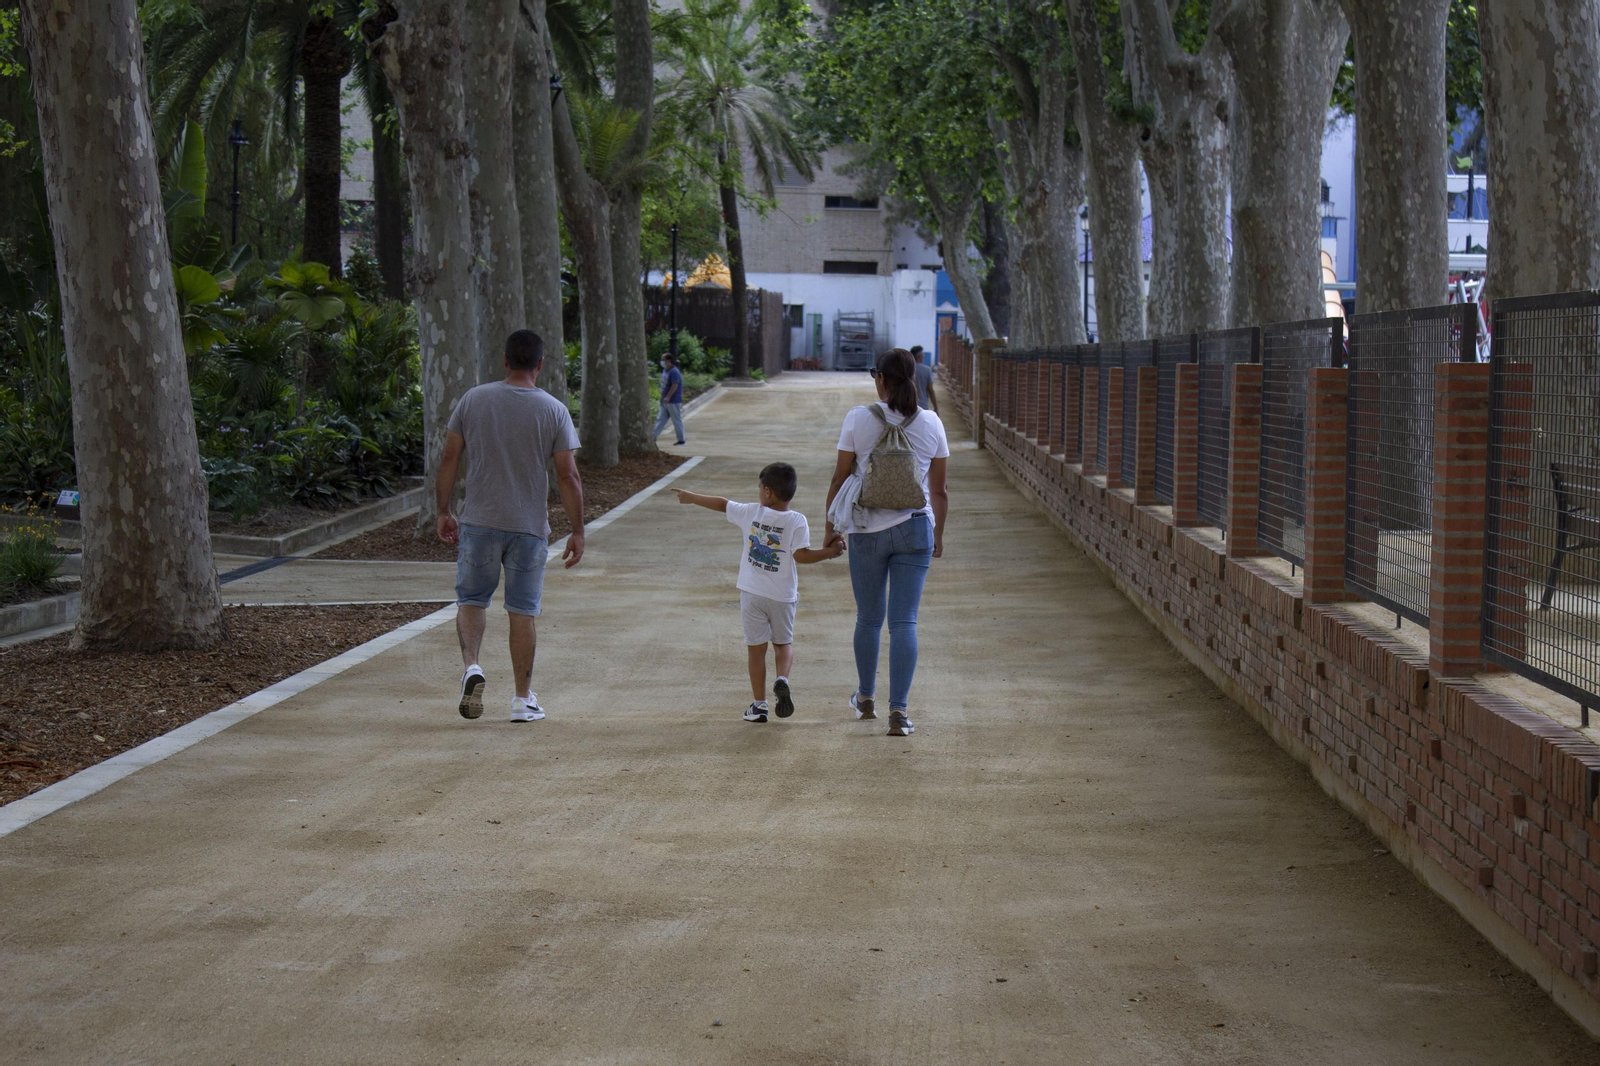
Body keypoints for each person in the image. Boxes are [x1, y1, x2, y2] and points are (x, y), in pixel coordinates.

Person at [436, 329, 585, 723]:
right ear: (540, 364)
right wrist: (578, 529)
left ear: (504, 361)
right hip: (528, 527)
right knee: (522, 611)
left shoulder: (473, 399)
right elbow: (568, 475)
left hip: (479, 522)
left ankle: (472, 667)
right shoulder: (554, 410)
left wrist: (443, 509)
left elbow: (450, 456)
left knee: (472, 600)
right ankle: (522, 699)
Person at [825, 348, 950, 737]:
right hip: (916, 528)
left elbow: (840, 478)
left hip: (866, 530)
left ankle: (865, 699)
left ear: (880, 378)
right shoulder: (931, 422)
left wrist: (831, 528)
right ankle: (899, 711)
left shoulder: (859, 418)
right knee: (904, 621)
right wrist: (938, 534)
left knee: (869, 618)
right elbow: (939, 489)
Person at [673, 463, 845, 723]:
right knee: (783, 644)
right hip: (782, 596)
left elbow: (722, 504)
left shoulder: (751, 513)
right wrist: (830, 553)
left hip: (752, 594)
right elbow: (802, 556)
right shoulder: (797, 520)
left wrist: (691, 498)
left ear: (767, 492)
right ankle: (782, 679)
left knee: (756, 651)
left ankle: (759, 705)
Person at [654, 351, 687, 445]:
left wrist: (668, 396)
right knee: (660, 419)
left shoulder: (674, 371)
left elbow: (675, 384)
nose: (661, 361)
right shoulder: (665, 370)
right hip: (664, 400)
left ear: (668, 360)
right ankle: (653, 437)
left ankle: (681, 440)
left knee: (676, 420)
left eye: (663, 360)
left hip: (673, 401)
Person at [910, 345, 939, 413]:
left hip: (908, 405)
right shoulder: (927, 370)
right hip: (922, 406)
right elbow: (930, 390)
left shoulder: (907, 369)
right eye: (923, 356)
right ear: (920, 357)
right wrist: (935, 407)